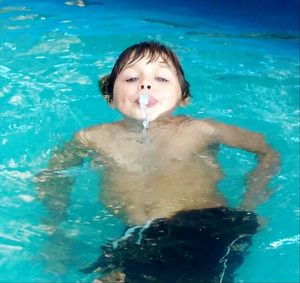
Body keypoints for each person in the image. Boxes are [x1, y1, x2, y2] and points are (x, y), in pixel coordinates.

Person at [34, 41, 279, 282]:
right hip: (137, 236)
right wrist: (56, 231)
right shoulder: (91, 138)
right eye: (131, 79)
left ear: (184, 97)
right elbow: (55, 176)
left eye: (161, 79)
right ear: (110, 97)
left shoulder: (201, 130)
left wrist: (250, 204)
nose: (146, 84)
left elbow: (267, 152)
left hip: (202, 227)